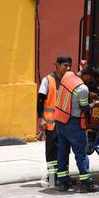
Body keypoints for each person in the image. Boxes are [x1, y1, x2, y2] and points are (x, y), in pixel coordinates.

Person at [54, 64, 99, 193]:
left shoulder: (68, 76)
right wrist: (95, 104)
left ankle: (63, 182)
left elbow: (71, 94)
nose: (90, 82)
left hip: (60, 120)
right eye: (90, 79)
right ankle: (87, 183)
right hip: (73, 123)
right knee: (81, 153)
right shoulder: (82, 88)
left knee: (62, 152)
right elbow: (84, 108)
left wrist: (88, 94)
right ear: (87, 75)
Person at [37, 55, 72, 186]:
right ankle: (52, 178)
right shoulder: (48, 80)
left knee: (64, 151)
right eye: (65, 66)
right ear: (56, 65)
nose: (68, 68)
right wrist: (41, 119)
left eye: (69, 66)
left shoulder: (69, 80)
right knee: (52, 152)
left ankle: (63, 178)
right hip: (51, 125)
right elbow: (40, 100)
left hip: (65, 124)